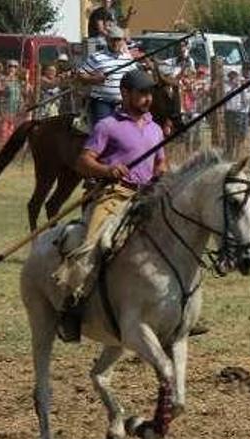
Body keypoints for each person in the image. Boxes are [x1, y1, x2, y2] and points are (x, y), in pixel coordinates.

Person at [52, 69, 167, 342]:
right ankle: (72, 306)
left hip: (147, 196)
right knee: (94, 244)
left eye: (149, 93)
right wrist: (107, 170)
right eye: (141, 93)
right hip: (113, 195)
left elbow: (161, 162)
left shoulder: (155, 128)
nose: (147, 98)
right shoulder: (107, 125)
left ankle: (175, 310)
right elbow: (83, 162)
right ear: (125, 94)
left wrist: (161, 173)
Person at [79, 26, 137, 128]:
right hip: (102, 102)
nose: (115, 43)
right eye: (112, 40)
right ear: (107, 40)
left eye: (118, 40)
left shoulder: (128, 59)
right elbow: (80, 75)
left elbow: (136, 77)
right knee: (103, 130)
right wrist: (93, 79)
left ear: (123, 41)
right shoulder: (96, 57)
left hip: (122, 103)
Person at [223, 70, 250, 159]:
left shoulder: (241, 87)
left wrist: (242, 88)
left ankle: (237, 155)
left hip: (237, 113)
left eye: (234, 78)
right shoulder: (226, 86)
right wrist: (233, 87)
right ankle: (230, 154)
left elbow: (246, 101)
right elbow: (225, 95)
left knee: (238, 135)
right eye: (232, 78)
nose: (233, 80)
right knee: (229, 135)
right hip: (229, 112)